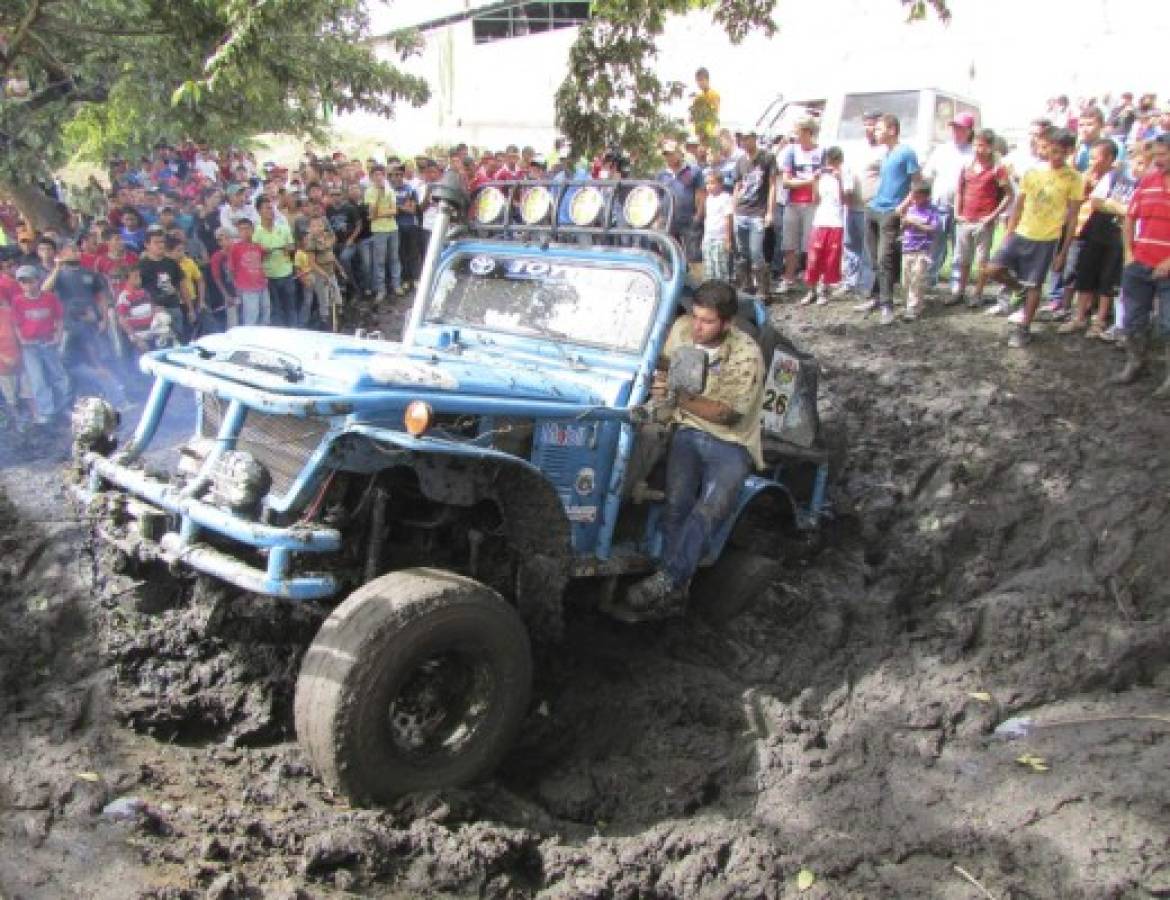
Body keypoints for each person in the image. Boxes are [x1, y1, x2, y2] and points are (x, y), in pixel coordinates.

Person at [617, 280, 764, 620]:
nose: (698, 327)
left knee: (711, 508)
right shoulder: (681, 329)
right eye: (695, 317)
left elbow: (726, 414)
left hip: (732, 440)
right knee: (676, 504)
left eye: (708, 321)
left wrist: (674, 395)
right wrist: (655, 378)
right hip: (685, 428)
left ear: (727, 323)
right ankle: (674, 589)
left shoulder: (746, 353)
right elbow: (659, 360)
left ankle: (668, 580)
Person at [986, 127, 1083, 348]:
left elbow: (1073, 218)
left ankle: (1024, 329)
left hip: (1046, 239)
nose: (1054, 156)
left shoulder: (1074, 178)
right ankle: (1017, 288)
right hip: (1022, 232)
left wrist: (1063, 253)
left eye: (1059, 152)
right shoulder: (1033, 172)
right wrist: (1008, 234)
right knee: (992, 269)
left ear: (1069, 151)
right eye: (1051, 150)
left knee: (1035, 285)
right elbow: (1018, 205)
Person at [1113, 132, 1170, 393]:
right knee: (1133, 320)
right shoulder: (1147, 182)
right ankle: (1136, 363)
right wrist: (1128, 254)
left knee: (1168, 324)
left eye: (1163, 155)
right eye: (1155, 154)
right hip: (1140, 263)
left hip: (1167, 267)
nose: (1157, 160)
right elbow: (1130, 218)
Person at [1057, 139, 1129, 339]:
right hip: (1094, 231)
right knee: (1085, 274)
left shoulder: (1125, 178)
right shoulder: (1106, 177)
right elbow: (1097, 203)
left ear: (1110, 158)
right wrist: (1119, 207)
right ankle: (1079, 317)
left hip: (1116, 236)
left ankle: (1099, 321)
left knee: (1108, 279)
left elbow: (1132, 209)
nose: (1090, 162)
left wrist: (1114, 206)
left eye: (1094, 157)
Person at [858, 114, 920, 325]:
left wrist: (903, 206)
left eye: (879, 129)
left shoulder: (906, 152)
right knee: (874, 258)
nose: (875, 132)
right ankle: (877, 297)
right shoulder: (886, 154)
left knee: (885, 259)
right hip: (874, 209)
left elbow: (917, 183)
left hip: (889, 213)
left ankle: (887, 306)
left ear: (892, 130)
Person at [952, 129, 1013, 306]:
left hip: (983, 220)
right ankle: (960, 291)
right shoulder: (966, 165)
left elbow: (1009, 195)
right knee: (962, 258)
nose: (978, 149)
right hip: (965, 218)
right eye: (976, 145)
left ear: (990, 147)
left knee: (982, 260)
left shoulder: (997, 169)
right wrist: (957, 212)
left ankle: (977, 294)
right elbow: (959, 191)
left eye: (982, 145)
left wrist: (993, 215)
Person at [10, 264, 69, 426]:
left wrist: (58, 336)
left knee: (59, 376)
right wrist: (21, 339)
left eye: (30, 281)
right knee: (37, 380)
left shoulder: (49, 298)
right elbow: (16, 323)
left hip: (48, 342)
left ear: (38, 280)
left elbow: (59, 318)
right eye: (23, 282)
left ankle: (65, 407)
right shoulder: (18, 301)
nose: (27, 285)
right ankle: (46, 411)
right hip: (30, 346)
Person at [922, 112, 975, 289]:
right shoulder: (941, 150)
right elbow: (928, 175)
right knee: (935, 245)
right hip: (940, 205)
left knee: (960, 248)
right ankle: (929, 280)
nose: (956, 132)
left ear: (969, 131)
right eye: (954, 128)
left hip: (963, 209)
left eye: (960, 128)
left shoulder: (973, 154)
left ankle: (956, 285)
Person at [779, 118, 823, 292]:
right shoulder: (791, 152)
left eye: (798, 133)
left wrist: (811, 183)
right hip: (793, 202)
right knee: (789, 243)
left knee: (810, 243)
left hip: (813, 204)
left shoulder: (821, 151)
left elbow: (822, 178)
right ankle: (788, 277)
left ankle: (811, 280)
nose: (796, 137)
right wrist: (810, 181)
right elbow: (786, 181)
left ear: (808, 132)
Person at [801, 146, 848, 306]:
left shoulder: (843, 175)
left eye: (834, 162)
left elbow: (844, 200)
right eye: (829, 161)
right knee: (814, 256)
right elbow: (815, 200)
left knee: (830, 258)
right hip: (820, 220)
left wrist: (840, 179)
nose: (830, 165)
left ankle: (824, 290)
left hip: (835, 222)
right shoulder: (822, 176)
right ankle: (811, 290)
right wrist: (815, 181)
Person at [732, 131, 777, 297]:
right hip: (741, 211)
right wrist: (733, 208)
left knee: (756, 251)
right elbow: (737, 186)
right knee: (742, 253)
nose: (743, 142)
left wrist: (770, 212)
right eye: (741, 139)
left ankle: (764, 290)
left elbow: (772, 186)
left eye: (746, 139)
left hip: (758, 212)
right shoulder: (740, 161)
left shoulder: (767, 158)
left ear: (754, 139)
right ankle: (747, 285)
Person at [659, 139, 705, 267]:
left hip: (689, 220)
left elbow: (701, 193)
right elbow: (658, 197)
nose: (669, 157)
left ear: (679, 153)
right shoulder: (661, 174)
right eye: (666, 154)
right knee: (669, 258)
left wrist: (699, 215)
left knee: (694, 257)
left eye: (672, 153)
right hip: (668, 223)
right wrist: (659, 219)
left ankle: (695, 286)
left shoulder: (693, 171)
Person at [137, 228, 187, 342]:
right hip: (155, 311)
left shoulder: (171, 263)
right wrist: (152, 306)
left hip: (174, 307)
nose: (160, 245)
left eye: (162, 242)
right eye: (156, 242)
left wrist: (189, 308)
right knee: (161, 343)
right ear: (147, 245)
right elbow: (139, 291)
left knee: (178, 340)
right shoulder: (141, 266)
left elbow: (182, 285)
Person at [899, 183, 940, 321]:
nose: (914, 198)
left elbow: (933, 229)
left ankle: (914, 307)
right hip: (907, 247)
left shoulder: (931, 211)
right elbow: (901, 220)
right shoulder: (910, 209)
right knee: (906, 279)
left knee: (917, 278)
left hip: (922, 249)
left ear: (926, 196)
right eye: (912, 195)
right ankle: (908, 303)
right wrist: (904, 223)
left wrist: (915, 223)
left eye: (917, 195)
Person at [253, 196, 296, 326]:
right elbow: (254, 256)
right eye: (266, 208)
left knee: (290, 307)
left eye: (271, 208)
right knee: (275, 309)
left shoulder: (283, 227)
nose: (270, 211)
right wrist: (262, 251)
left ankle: (294, 332)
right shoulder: (255, 232)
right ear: (259, 211)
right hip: (269, 276)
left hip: (286, 273)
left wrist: (289, 248)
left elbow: (292, 246)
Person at [364, 164, 401, 303]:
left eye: (381, 174)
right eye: (376, 175)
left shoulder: (390, 190)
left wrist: (381, 212)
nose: (379, 177)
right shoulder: (369, 192)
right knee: (379, 261)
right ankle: (381, 289)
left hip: (393, 228)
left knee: (394, 258)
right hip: (378, 230)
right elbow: (372, 215)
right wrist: (379, 197)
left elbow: (394, 211)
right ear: (372, 177)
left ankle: (396, 285)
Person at [227, 218, 270, 326]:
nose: (245, 232)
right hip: (247, 288)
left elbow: (262, 260)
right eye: (241, 229)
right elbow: (231, 269)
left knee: (266, 313)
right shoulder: (235, 248)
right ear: (238, 231)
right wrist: (236, 287)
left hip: (262, 285)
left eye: (247, 228)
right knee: (252, 316)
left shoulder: (257, 246)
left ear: (252, 230)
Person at [701, 170, 734, 282]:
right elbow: (707, 218)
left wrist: (728, 239)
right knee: (709, 269)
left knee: (720, 268)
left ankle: (723, 293)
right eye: (707, 183)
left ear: (720, 184)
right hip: (708, 237)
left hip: (720, 239)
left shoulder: (726, 198)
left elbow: (728, 219)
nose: (709, 186)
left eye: (712, 183)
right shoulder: (708, 199)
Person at [690, 67, 720, 146]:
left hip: (710, 132)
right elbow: (694, 116)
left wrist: (706, 132)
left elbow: (714, 115)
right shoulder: (698, 98)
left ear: (707, 80)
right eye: (698, 81)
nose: (700, 83)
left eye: (702, 80)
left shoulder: (714, 95)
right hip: (700, 132)